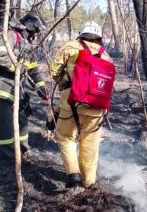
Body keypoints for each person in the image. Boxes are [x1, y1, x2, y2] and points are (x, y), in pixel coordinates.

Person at [50, 21, 113, 188]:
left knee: (65, 137)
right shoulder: (105, 55)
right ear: (99, 37)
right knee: (90, 145)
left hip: (71, 102)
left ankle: (73, 173)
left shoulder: (70, 46)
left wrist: (64, 83)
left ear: (81, 34)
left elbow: (54, 70)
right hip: (96, 107)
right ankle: (89, 182)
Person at [0, 11, 48, 157]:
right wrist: (18, 69)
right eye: (37, 31)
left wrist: (41, 89)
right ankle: (8, 155)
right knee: (6, 125)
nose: (37, 34)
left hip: (19, 92)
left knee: (23, 120)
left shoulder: (27, 45)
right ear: (30, 27)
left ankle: (23, 149)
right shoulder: (9, 36)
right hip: (2, 89)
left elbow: (33, 70)